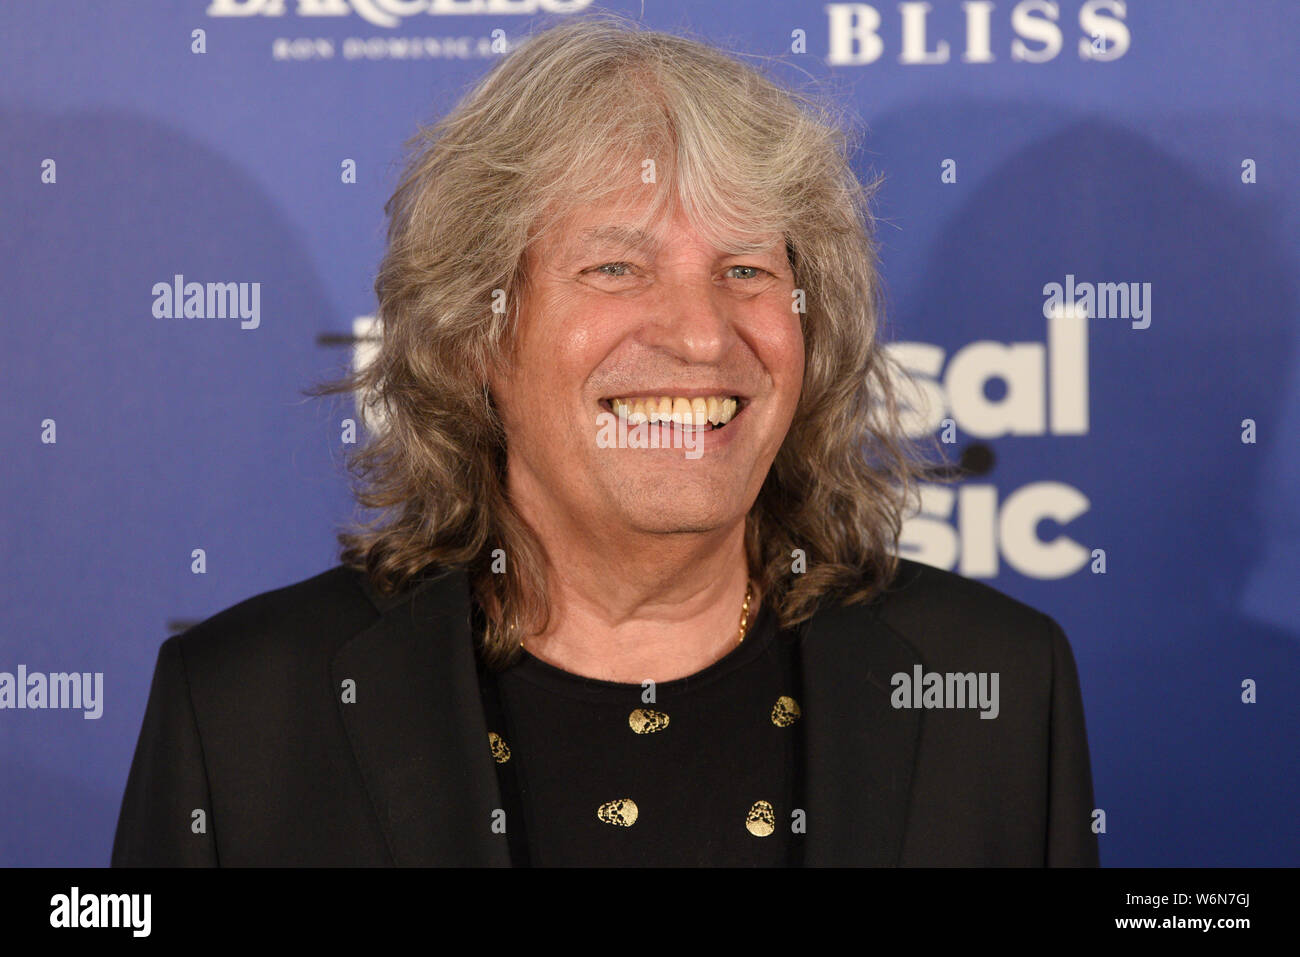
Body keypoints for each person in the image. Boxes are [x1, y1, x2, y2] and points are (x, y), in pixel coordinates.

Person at [112, 11, 1098, 867]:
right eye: (618, 267)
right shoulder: (246, 713)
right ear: (476, 337)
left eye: (747, 269)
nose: (702, 334)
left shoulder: (997, 687)